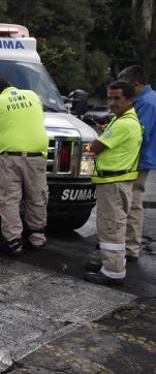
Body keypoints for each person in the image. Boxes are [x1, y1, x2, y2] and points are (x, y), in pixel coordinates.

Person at [0, 77, 49, 255]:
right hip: (37, 155)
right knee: (37, 196)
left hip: (11, 157)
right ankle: (37, 238)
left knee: (9, 199)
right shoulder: (32, 95)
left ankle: (13, 241)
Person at [84, 81, 143, 285]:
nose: (112, 102)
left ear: (130, 99)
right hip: (117, 182)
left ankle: (112, 272)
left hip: (113, 182)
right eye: (110, 98)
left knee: (111, 227)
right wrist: (106, 129)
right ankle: (108, 263)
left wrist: (85, 149)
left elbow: (95, 148)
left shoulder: (124, 123)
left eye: (117, 98)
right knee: (112, 225)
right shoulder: (125, 120)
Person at [116, 65, 156, 262]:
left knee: (132, 203)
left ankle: (130, 246)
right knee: (130, 201)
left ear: (134, 84)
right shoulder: (148, 99)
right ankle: (127, 243)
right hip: (138, 159)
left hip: (137, 160)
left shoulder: (146, 103)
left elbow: (140, 134)